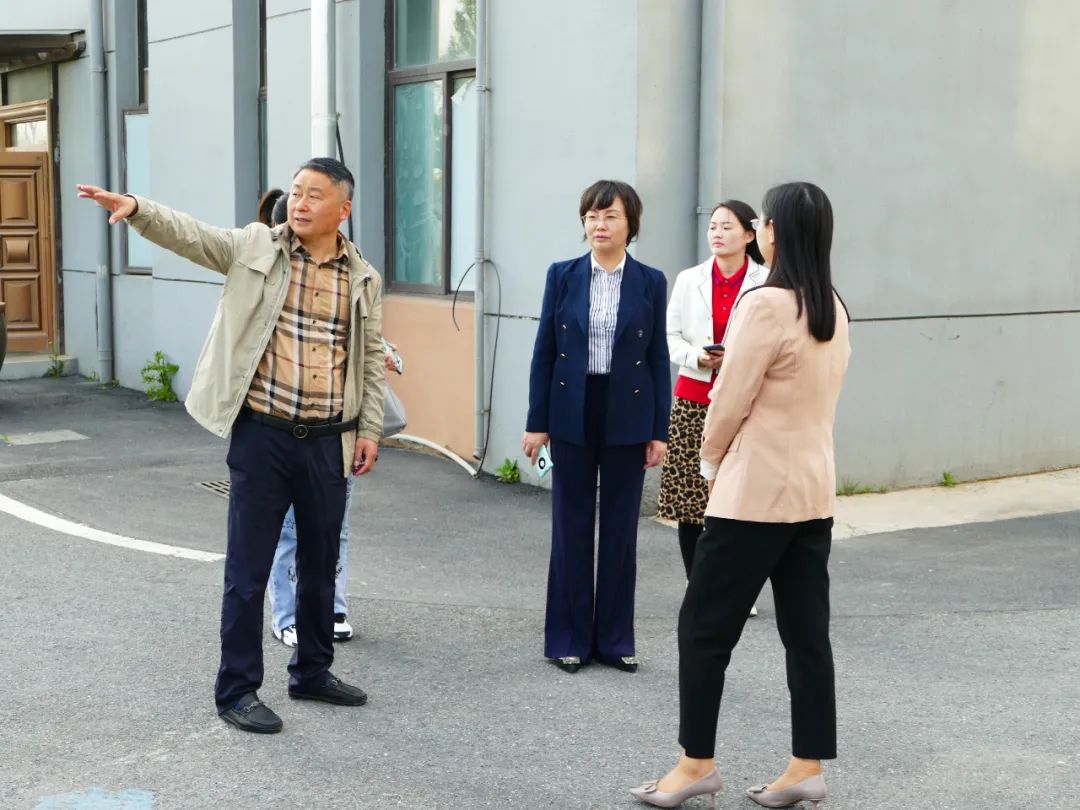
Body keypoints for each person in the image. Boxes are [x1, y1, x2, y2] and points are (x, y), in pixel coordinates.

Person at [77, 156, 386, 735]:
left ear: (343, 208)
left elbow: (369, 359)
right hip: (263, 435)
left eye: (315, 195)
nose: (300, 203)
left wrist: (368, 429)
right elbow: (193, 236)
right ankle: (238, 690)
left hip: (328, 442)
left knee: (321, 566)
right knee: (248, 569)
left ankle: (312, 671)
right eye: (296, 191)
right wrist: (139, 209)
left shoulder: (362, 276)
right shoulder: (255, 247)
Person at [630, 182, 850, 808]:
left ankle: (695, 764)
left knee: (703, 629)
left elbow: (728, 398)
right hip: (812, 494)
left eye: (765, 222)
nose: (762, 230)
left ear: (776, 231)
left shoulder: (765, 304)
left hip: (753, 495)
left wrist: (708, 461)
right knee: (806, 636)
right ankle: (806, 766)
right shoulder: (833, 306)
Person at [523, 179, 671, 675]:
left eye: (610, 216)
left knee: (621, 530)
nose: (599, 225)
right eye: (591, 216)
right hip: (572, 407)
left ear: (631, 224)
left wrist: (659, 430)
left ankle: (614, 640)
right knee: (571, 525)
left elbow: (658, 357)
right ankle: (568, 638)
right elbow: (545, 350)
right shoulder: (562, 275)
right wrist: (537, 422)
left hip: (629, 410)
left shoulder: (650, 281)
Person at [256, 187, 400, 648]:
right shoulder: (267, 273)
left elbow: (355, 336)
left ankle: (332, 608)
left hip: (336, 430)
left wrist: (383, 353)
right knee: (287, 532)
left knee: (332, 528)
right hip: (279, 429)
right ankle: (287, 615)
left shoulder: (353, 273)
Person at [658, 200, 768, 589]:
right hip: (694, 399)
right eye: (713, 227)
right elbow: (669, 337)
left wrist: (733, 358)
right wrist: (698, 357)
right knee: (691, 502)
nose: (717, 234)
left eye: (727, 227)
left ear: (750, 235)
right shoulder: (689, 279)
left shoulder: (767, 281)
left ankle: (738, 590)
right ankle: (700, 587)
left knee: (742, 500)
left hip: (747, 403)